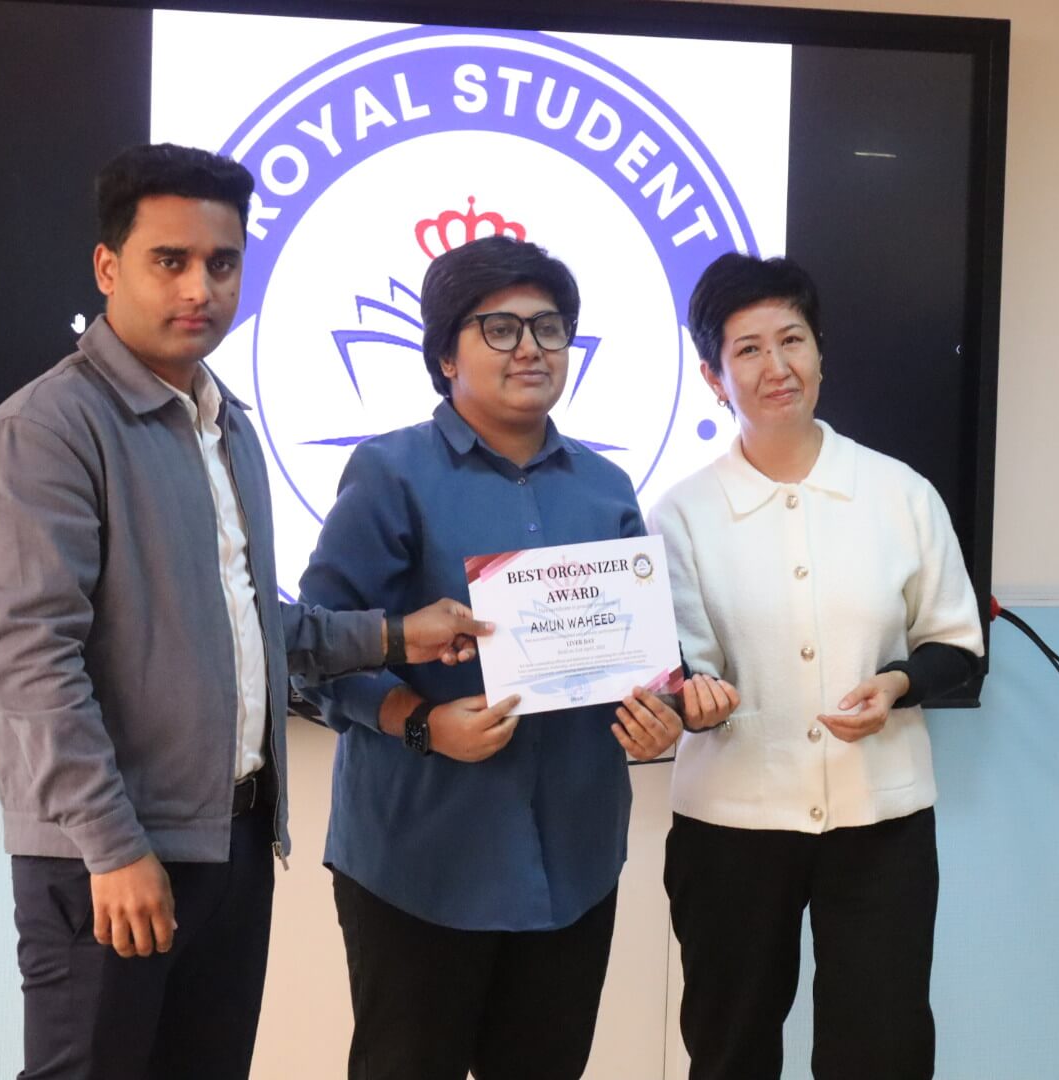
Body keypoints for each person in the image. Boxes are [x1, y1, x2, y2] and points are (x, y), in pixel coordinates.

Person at [0, 143, 488, 1080]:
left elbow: (245, 627)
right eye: (170, 261)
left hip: (233, 842)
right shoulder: (43, 431)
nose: (199, 287)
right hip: (108, 858)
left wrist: (396, 634)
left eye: (222, 262)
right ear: (108, 267)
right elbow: (33, 666)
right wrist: (112, 850)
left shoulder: (225, 424)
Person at [296, 234, 737, 1080]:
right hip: (421, 860)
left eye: (550, 327)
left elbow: (641, 662)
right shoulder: (390, 473)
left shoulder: (606, 489)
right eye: (499, 328)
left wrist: (661, 715)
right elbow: (315, 650)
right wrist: (423, 723)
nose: (531, 347)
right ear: (444, 355)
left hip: (573, 857)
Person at [648, 253, 985, 1080]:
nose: (777, 366)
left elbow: (956, 644)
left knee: (883, 1051)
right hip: (730, 827)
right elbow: (678, 667)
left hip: (881, 821)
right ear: (713, 377)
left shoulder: (900, 493)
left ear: (821, 352)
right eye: (749, 349)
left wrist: (897, 684)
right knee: (730, 1050)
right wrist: (695, 698)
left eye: (792, 339)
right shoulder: (680, 514)